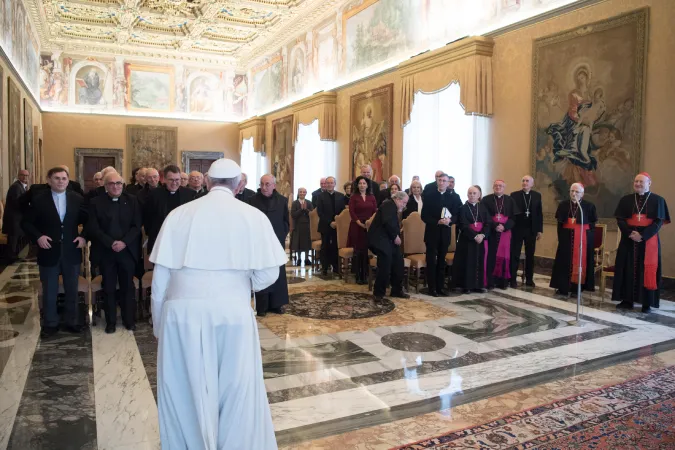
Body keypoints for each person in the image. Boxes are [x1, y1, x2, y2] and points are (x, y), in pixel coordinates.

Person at [149, 158, 285, 450]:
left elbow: (159, 280)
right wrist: (237, 287)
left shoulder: (178, 214)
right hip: (233, 313)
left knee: (185, 391)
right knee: (236, 389)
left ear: (207, 182)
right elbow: (269, 273)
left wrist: (159, 325)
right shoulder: (253, 216)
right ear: (238, 186)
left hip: (181, 315)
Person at [21, 167, 88, 338]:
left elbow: (90, 220)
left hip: (71, 250)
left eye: (64, 178)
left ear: (68, 180)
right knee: (49, 289)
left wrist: (83, 237)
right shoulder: (39, 200)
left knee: (71, 289)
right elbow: (26, 223)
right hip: (48, 250)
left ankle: (72, 321)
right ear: (49, 180)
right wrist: (38, 237)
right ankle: (50, 323)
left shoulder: (77, 199)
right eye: (57, 178)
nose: (60, 181)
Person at [87, 172, 142, 333]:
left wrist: (124, 242)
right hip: (106, 251)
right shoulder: (96, 202)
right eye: (112, 183)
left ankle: (128, 320)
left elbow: (136, 225)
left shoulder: (132, 201)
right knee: (109, 287)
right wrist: (111, 243)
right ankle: (110, 321)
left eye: (119, 183)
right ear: (105, 186)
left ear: (123, 185)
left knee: (127, 286)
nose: (116, 186)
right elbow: (93, 227)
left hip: (127, 250)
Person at [613, 173, 670, 312]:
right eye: (636, 181)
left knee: (646, 270)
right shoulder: (626, 200)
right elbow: (620, 219)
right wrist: (630, 234)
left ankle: (647, 303)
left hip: (648, 241)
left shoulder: (658, 200)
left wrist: (642, 236)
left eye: (641, 182)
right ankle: (627, 300)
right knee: (626, 267)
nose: (638, 184)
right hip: (628, 239)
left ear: (649, 183)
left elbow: (658, 222)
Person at [248, 174, 289, 316]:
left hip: (277, 242)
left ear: (274, 185)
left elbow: (286, 222)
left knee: (278, 272)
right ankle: (262, 306)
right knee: (262, 272)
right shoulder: (252, 201)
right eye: (262, 184)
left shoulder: (282, 201)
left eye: (267, 184)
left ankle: (277, 304)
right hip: (259, 243)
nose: (264, 187)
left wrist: (280, 236)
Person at [550, 183, 598, 296]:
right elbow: (560, 225)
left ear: (582, 194)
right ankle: (563, 287)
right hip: (566, 239)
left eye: (577, 192)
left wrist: (587, 240)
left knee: (580, 263)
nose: (574, 193)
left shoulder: (589, 206)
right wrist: (561, 239)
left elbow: (591, 226)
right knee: (564, 262)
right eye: (572, 191)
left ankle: (577, 288)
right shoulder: (563, 205)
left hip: (582, 240)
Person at [421, 173, 462, 296]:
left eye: (445, 181)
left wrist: (450, 221)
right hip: (432, 232)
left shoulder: (454, 198)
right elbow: (424, 216)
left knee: (441, 261)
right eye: (440, 180)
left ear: (448, 183)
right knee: (431, 260)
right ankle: (431, 288)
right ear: (437, 181)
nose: (442, 182)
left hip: (445, 233)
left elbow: (457, 215)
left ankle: (440, 287)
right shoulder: (429, 196)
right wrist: (437, 221)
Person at [143, 165, 197, 254]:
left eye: (177, 180)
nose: (174, 183)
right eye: (171, 180)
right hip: (159, 238)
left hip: (182, 240)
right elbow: (147, 217)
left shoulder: (189, 194)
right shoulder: (154, 195)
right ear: (164, 179)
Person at [368, 192, 410, 302]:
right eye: (404, 203)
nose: (404, 205)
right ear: (398, 199)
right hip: (381, 240)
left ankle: (396, 290)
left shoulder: (392, 206)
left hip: (388, 240)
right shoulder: (388, 205)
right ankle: (378, 294)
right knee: (384, 267)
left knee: (398, 263)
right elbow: (387, 222)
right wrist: (395, 236)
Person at [453, 186, 492, 293]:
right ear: (467, 194)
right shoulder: (462, 208)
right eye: (470, 193)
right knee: (468, 262)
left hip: (480, 240)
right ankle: (467, 286)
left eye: (474, 193)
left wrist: (482, 235)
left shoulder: (483, 208)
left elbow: (488, 223)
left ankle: (479, 285)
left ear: (479, 195)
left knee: (479, 261)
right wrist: (475, 236)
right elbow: (463, 225)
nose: (472, 195)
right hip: (467, 240)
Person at [483, 180, 519, 290]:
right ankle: (490, 281)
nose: (498, 187)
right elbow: (485, 216)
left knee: (504, 257)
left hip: (505, 233)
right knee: (491, 256)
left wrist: (505, 227)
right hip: (492, 232)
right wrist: (495, 225)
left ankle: (502, 282)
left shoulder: (510, 200)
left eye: (501, 186)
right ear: (493, 187)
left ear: (504, 187)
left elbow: (514, 218)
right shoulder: (486, 199)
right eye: (496, 185)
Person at [510, 175, 543, 287]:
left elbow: (539, 214)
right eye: (523, 180)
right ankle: (512, 279)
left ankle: (529, 279)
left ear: (532, 184)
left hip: (531, 230)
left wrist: (539, 230)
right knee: (515, 254)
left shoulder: (537, 196)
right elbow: (512, 213)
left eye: (527, 181)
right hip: (517, 229)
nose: (525, 182)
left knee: (530, 255)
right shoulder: (514, 195)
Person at [348, 176, 378, 284]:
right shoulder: (353, 197)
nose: (362, 185)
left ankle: (365, 275)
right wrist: (359, 223)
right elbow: (351, 212)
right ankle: (358, 275)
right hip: (356, 226)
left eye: (364, 183)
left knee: (365, 251)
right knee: (358, 251)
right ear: (357, 185)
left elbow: (375, 211)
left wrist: (369, 221)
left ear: (367, 185)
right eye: (360, 183)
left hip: (369, 226)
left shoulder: (372, 197)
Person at [315, 176, 346, 275]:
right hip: (325, 225)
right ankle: (324, 267)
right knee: (325, 246)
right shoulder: (320, 196)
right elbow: (320, 212)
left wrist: (337, 222)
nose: (329, 185)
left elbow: (343, 212)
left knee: (335, 246)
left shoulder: (341, 196)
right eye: (327, 183)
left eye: (331, 183)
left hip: (338, 226)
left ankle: (336, 267)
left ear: (334, 184)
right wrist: (330, 222)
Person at [4, 170, 29, 261]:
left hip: (17, 218)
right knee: (13, 240)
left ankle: (16, 256)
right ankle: (11, 259)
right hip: (14, 219)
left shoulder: (21, 186)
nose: (25, 177)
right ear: (18, 176)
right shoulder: (16, 187)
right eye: (23, 175)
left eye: (26, 175)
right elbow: (17, 203)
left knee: (16, 239)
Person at [290, 187, 314, 266]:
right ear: (298, 193)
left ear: (306, 193)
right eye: (300, 192)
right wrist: (301, 209)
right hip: (298, 225)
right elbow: (293, 215)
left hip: (307, 225)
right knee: (298, 243)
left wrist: (306, 209)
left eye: (304, 192)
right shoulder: (295, 203)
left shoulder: (309, 203)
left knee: (307, 243)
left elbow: (312, 214)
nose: (302, 193)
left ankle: (307, 259)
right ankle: (299, 259)